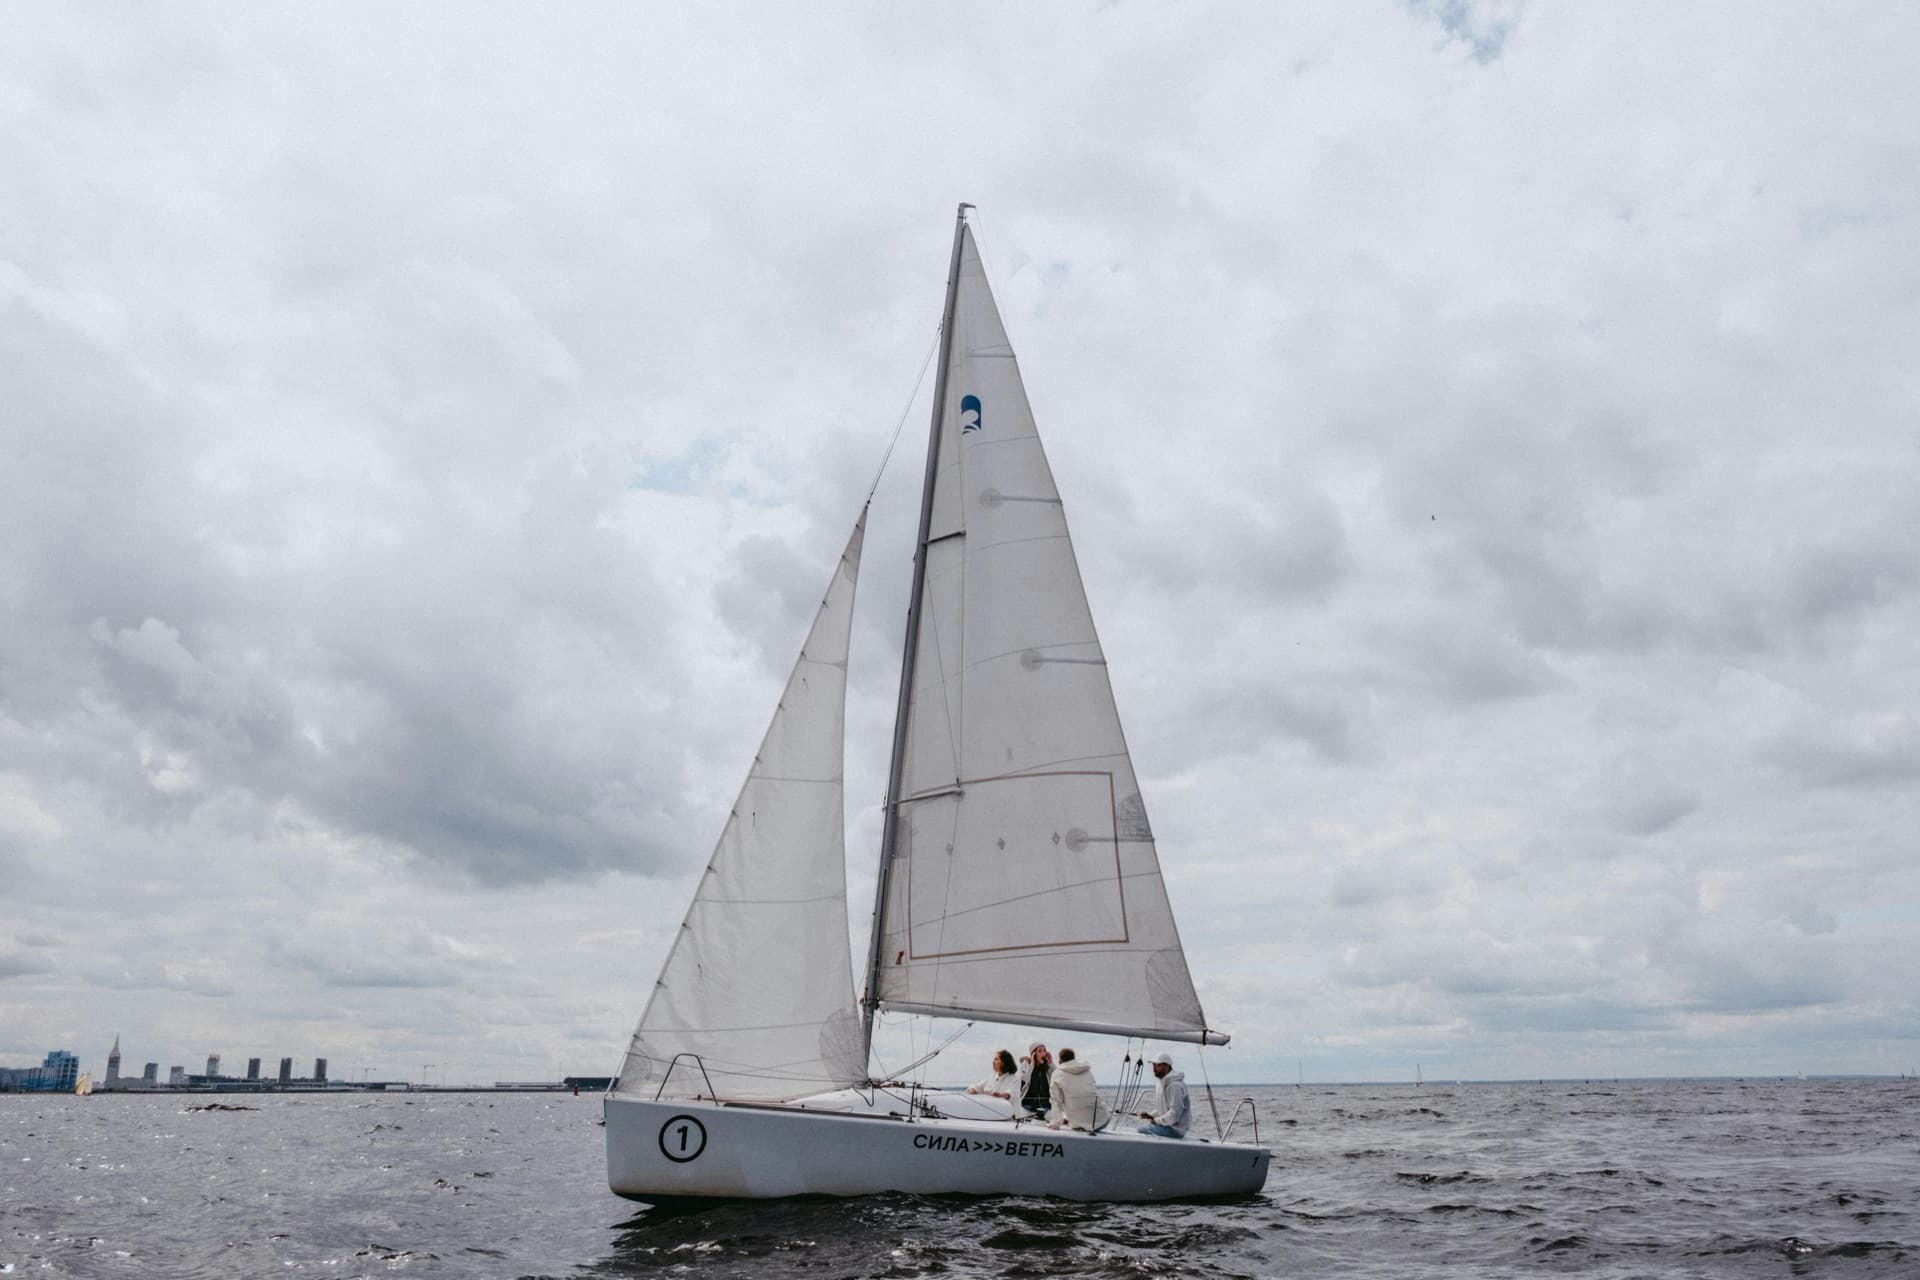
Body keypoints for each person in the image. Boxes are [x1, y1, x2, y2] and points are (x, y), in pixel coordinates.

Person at [1046, 1047, 1111, 1132]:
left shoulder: (1056, 1074)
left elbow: (1056, 1101)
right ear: (1074, 1058)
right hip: (1102, 1120)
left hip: (1077, 1124)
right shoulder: (1087, 1070)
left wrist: (1055, 1123)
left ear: (1060, 1061)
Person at [1136, 1052, 1191, 1138]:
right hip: (1167, 1126)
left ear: (1167, 1066)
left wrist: (1156, 1121)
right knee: (1140, 1128)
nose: (1154, 1069)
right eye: (1153, 1065)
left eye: (1158, 1065)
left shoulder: (1174, 1086)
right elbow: (1164, 1110)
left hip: (1175, 1130)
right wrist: (1150, 1115)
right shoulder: (1161, 1083)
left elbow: (1174, 1114)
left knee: (1140, 1130)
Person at [1015, 1042, 1052, 1116]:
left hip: (1045, 1107)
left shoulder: (1047, 1068)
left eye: (1044, 1051)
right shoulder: (1026, 1065)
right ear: (1033, 1054)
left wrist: (1051, 1062)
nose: (1043, 1053)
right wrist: (1031, 1065)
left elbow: (1057, 1076)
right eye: (1040, 1051)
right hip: (1027, 1107)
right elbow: (1022, 1080)